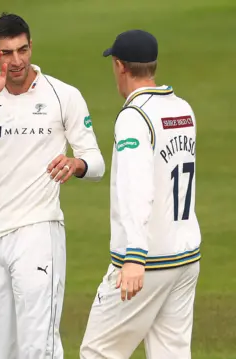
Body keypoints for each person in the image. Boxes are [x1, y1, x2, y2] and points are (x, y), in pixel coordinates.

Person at [0, 12, 105, 359]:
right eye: (7, 53)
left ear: (31, 45)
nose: (17, 61)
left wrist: (76, 163)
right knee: (0, 350)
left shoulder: (62, 95)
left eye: (23, 50)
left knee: (39, 347)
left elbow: (96, 163)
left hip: (39, 231)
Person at [79, 29, 201, 359]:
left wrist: (134, 255)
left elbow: (136, 185)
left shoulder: (134, 117)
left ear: (120, 66)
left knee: (97, 351)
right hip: (186, 255)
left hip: (148, 260)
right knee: (171, 354)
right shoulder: (182, 109)